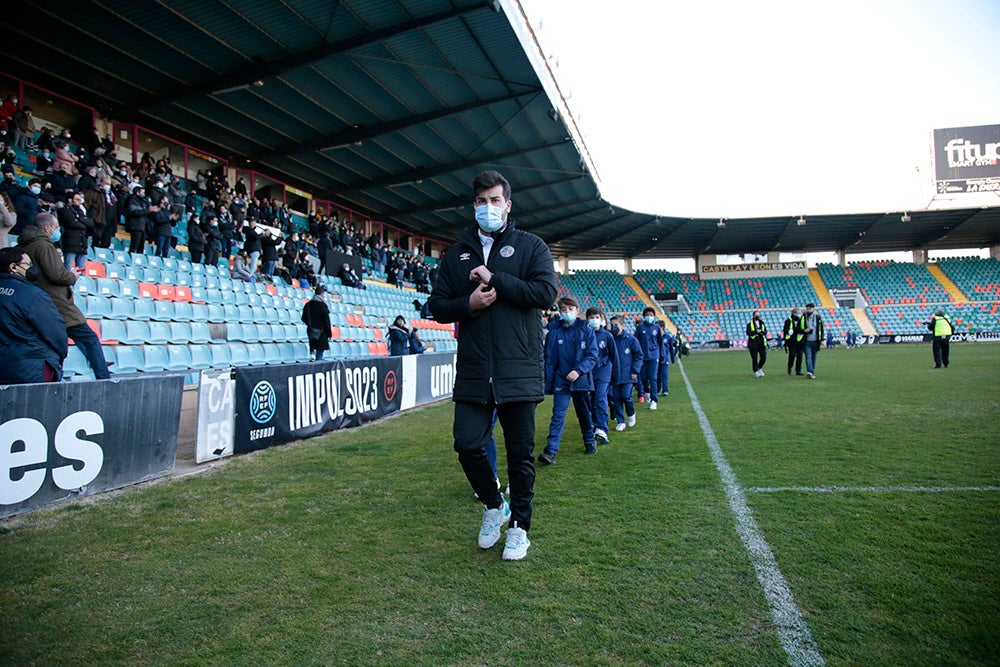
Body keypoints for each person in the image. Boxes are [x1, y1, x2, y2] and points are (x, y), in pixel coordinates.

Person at [428, 169, 557, 561]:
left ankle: (519, 527)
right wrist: (468, 304)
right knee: (466, 443)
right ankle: (493, 504)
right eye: (481, 201)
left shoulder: (531, 246)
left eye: (495, 200)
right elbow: (437, 306)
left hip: (518, 366)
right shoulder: (455, 254)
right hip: (474, 370)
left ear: (508, 205)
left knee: (519, 455)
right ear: (474, 205)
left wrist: (495, 279)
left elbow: (546, 293)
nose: (488, 208)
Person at [19, 213, 110, 379]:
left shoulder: (27, 245)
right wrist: (72, 276)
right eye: (55, 228)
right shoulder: (44, 246)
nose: (57, 231)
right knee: (89, 338)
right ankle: (103, 376)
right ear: (47, 228)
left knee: (56, 343)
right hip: (57, 303)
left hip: (42, 303)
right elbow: (57, 275)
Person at [541, 295, 598, 463]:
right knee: (558, 415)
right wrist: (548, 380)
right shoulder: (554, 332)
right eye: (563, 310)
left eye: (570, 309)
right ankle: (551, 451)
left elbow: (592, 355)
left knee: (583, 414)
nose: (567, 312)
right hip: (561, 380)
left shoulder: (586, 330)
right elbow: (549, 359)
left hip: (580, 380)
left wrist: (579, 371)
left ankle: (589, 441)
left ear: (577, 311)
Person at [0, 246, 68, 384]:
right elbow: (55, 332)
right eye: (28, 264)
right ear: (13, 267)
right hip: (30, 368)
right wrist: (59, 357)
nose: (31, 268)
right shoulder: (33, 294)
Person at [585, 307, 617, 445]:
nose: (594, 320)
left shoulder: (607, 336)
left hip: (604, 371)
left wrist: (616, 375)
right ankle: (594, 425)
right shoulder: (584, 335)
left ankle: (602, 429)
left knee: (600, 398)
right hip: (589, 372)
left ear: (602, 319)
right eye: (591, 317)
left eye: (596, 317)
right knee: (590, 400)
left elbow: (614, 356)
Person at [608, 314, 643, 431]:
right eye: (612, 325)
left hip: (628, 374)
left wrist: (635, 370)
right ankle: (621, 421)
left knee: (626, 396)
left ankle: (631, 413)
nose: (613, 328)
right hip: (614, 375)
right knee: (616, 398)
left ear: (622, 326)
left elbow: (638, 356)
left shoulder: (631, 340)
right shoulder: (610, 339)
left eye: (616, 325)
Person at [57, 190, 95, 270]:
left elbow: (91, 223)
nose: (80, 202)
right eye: (77, 199)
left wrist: (78, 219)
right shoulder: (63, 210)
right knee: (67, 267)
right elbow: (71, 223)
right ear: (70, 200)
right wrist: (84, 223)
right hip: (70, 243)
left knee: (81, 269)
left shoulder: (81, 211)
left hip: (82, 244)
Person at [633, 306, 663, 409]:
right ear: (644, 316)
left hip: (654, 356)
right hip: (643, 357)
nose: (649, 317)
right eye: (647, 315)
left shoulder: (657, 328)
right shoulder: (640, 328)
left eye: (651, 315)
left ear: (654, 316)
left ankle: (654, 400)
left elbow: (660, 342)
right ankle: (647, 392)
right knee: (643, 378)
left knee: (653, 378)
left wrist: (662, 355)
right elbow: (635, 341)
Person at [301, 284, 331, 361]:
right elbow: (326, 320)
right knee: (320, 352)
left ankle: (312, 356)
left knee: (313, 347)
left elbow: (303, 318)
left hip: (311, 330)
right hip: (322, 332)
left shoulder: (308, 305)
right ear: (322, 294)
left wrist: (310, 324)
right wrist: (329, 333)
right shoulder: (323, 306)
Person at [802, 302, 824, 379]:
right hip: (807, 340)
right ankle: (810, 371)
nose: (809, 310)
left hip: (815, 340)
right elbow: (798, 328)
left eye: (810, 308)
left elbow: (821, 329)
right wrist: (804, 330)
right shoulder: (803, 317)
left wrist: (821, 339)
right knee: (808, 356)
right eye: (807, 309)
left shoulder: (818, 318)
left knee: (814, 357)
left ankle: (811, 371)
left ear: (813, 309)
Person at [783, 307, 805, 376]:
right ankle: (789, 368)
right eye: (798, 313)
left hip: (799, 341)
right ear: (794, 313)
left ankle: (798, 370)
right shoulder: (788, 320)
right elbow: (785, 330)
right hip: (791, 341)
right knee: (792, 355)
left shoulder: (800, 320)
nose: (799, 314)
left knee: (800, 356)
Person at [746, 309, 768, 377]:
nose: (758, 316)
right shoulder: (750, 324)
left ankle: (759, 368)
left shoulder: (762, 323)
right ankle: (755, 371)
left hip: (761, 343)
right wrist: (756, 331)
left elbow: (765, 332)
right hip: (753, 343)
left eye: (758, 315)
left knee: (763, 357)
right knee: (754, 358)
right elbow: (748, 333)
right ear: (753, 316)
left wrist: (761, 332)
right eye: (756, 315)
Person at [657, 319, 674, 395]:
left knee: (664, 374)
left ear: (662, 327)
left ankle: (665, 390)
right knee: (657, 375)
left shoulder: (668, 337)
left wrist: (672, 359)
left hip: (666, 359)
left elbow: (671, 348)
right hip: (657, 359)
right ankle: (658, 389)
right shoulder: (655, 337)